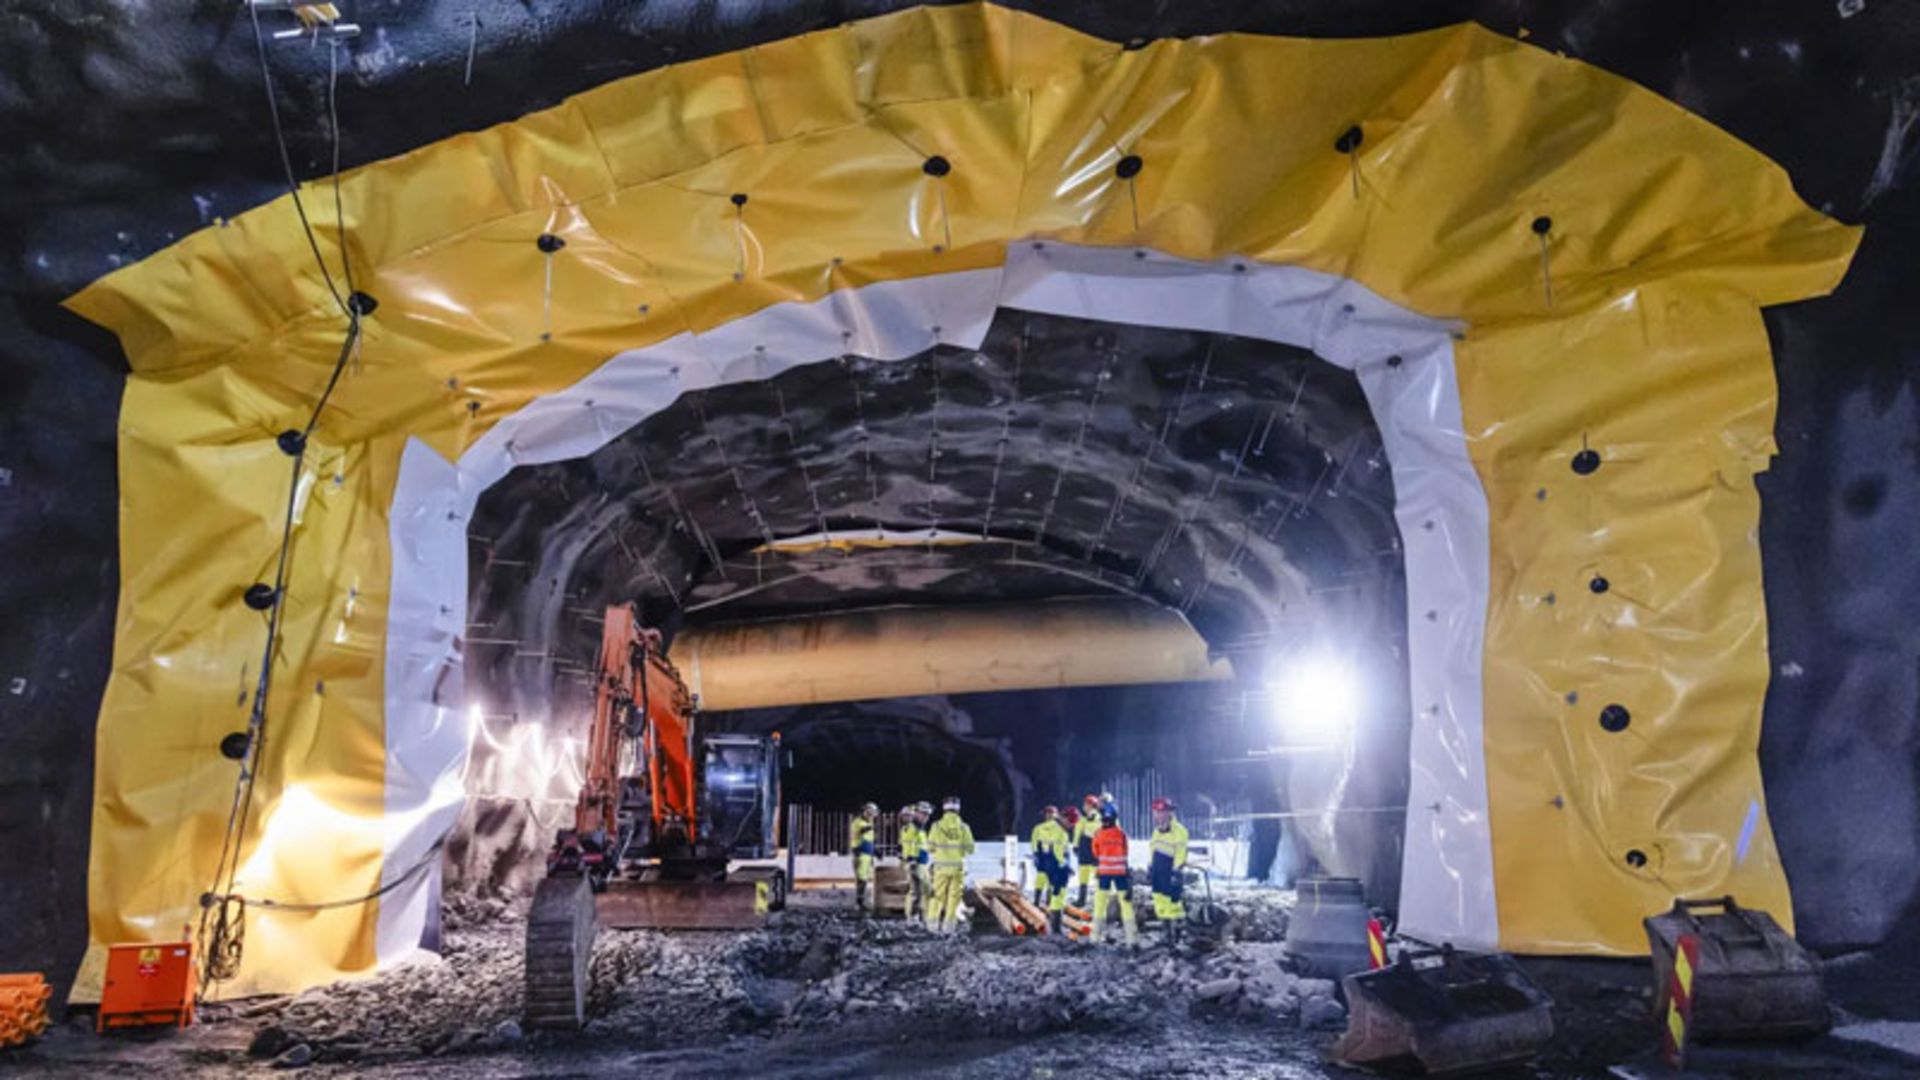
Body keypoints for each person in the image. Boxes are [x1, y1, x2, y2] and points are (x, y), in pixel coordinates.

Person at [1089, 805, 1138, 945]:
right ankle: (1131, 939)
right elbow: (1125, 852)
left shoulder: (1098, 834)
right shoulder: (1121, 834)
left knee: (1100, 904)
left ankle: (1094, 938)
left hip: (1103, 873)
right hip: (1120, 874)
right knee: (1126, 904)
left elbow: (1095, 852)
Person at [926, 796, 976, 934]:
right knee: (953, 898)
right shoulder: (964, 827)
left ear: (944, 809)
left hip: (940, 868)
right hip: (957, 869)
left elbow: (930, 848)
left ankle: (932, 925)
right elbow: (970, 849)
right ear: (958, 810)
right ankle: (949, 927)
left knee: (937, 896)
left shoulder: (936, 826)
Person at [1148, 796, 1190, 945]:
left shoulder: (1180, 831)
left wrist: (1176, 871)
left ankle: (1176, 934)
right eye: (1155, 812)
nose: (1157, 816)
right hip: (1158, 870)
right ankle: (1165, 932)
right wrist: (1150, 866)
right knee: (1159, 901)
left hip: (1171, 871)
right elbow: (1153, 849)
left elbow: (1180, 853)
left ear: (1169, 813)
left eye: (1160, 812)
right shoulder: (1156, 832)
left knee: (1173, 904)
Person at [1028, 805, 1071, 921]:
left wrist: (1036, 854)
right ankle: (1042, 903)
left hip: (1048, 856)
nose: (1050, 815)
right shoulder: (1042, 828)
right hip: (1047, 856)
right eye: (1049, 813)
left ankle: (1046, 903)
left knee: (1048, 880)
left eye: (1052, 813)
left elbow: (1034, 842)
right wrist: (1036, 855)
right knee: (1044, 879)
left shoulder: (1043, 828)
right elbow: (1034, 842)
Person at [898, 803, 928, 925]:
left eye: (927, 815)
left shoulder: (917, 829)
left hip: (918, 863)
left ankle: (915, 917)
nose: (926, 817)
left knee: (917, 892)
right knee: (922, 891)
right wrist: (912, 858)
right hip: (917, 863)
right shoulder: (913, 829)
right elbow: (910, 844)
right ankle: (917, 917)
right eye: (924, 814)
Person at [1071, 793, 1102, 907]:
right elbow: (1077, 832)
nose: (1084, 806)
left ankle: (1099, 899)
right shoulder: (1083, 820)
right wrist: (1075, 845)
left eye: (1086, 804)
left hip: (1094, 847)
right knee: (1084, 874)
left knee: (1097, 874)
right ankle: (1082, 899)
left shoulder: (1099, 818)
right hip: (1085, 847)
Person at [851, 802, 878, 915]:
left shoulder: (869, 823)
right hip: (860, 854)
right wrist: (871, 826)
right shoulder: (858, 822)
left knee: (864, 879)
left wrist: (874, 851)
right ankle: (858, 903)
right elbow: (861, 831)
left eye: (872, 813)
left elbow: (870, 840)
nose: (870, 815)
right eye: (869, 812)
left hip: (867, 854)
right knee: (861, 879)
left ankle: (860, 902)